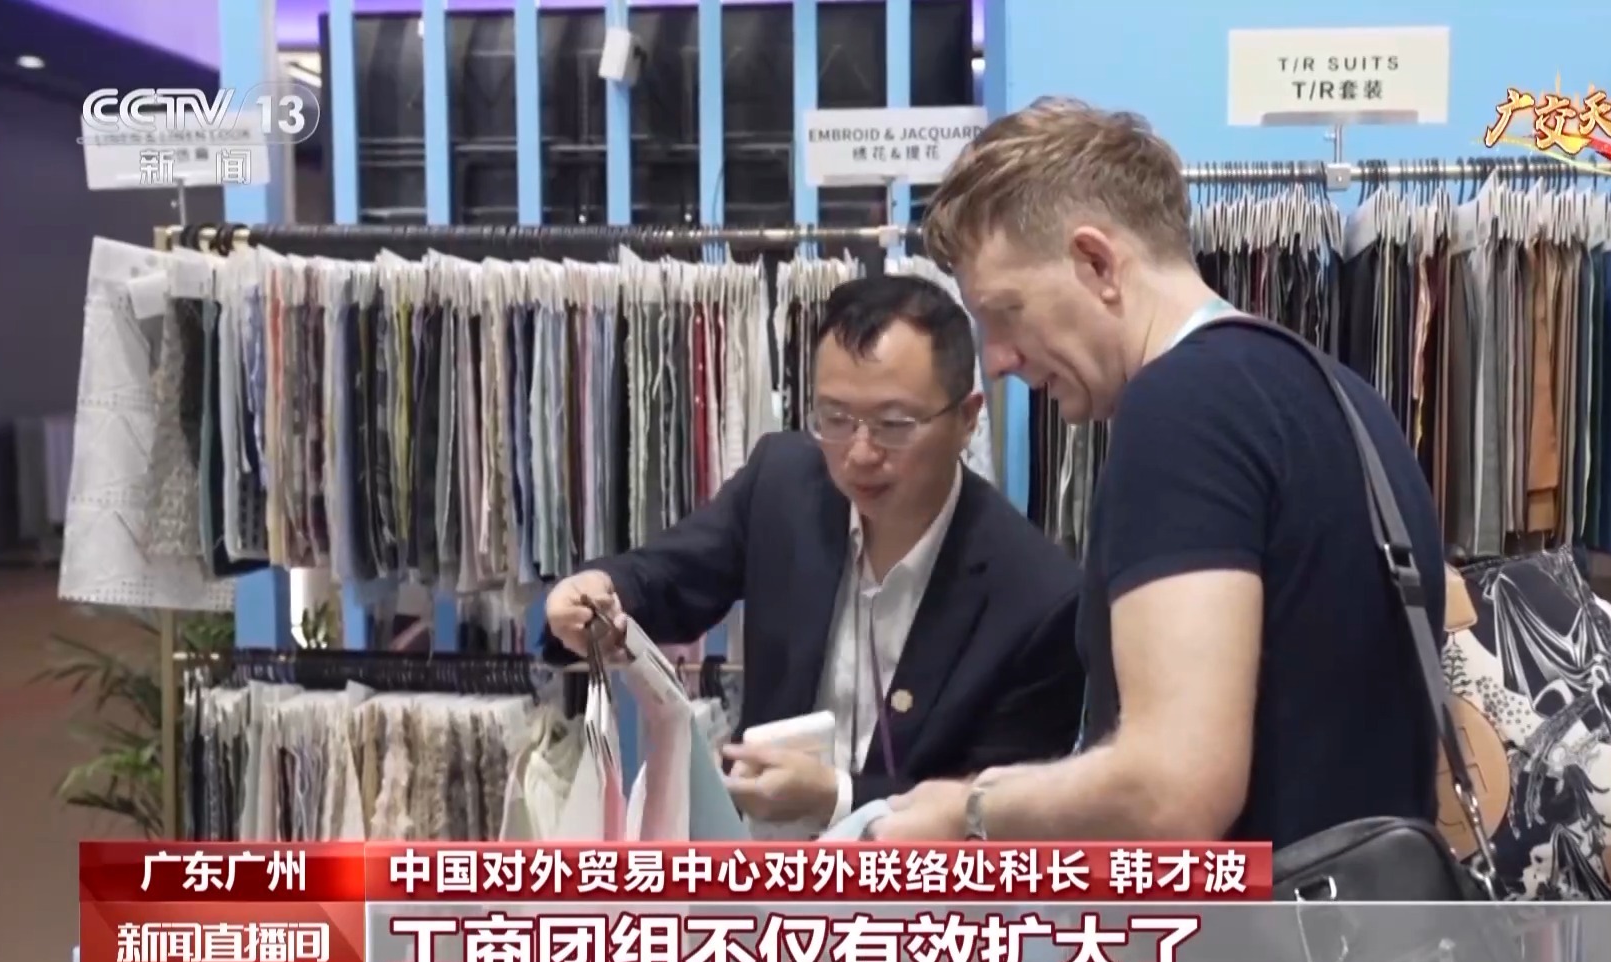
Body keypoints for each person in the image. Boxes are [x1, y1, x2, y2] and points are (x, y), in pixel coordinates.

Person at [871, 98, 1447, 846]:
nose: (1000, 359)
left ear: (1097, 263)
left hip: (1260, 922)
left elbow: (1174, 789)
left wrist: (971, 811)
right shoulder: (1339, 397)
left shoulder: (1183, 408)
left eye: (1005, 313)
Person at [544, 274, 1084, 833]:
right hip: (761, 869)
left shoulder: (1038, 599)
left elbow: (1004, 815)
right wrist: (597, 592)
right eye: (835, 418)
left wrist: (839, 797)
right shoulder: (785, 482)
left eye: (894, 425)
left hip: (912, 884)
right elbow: (669, 577)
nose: (860, 453)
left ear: (967, 419)